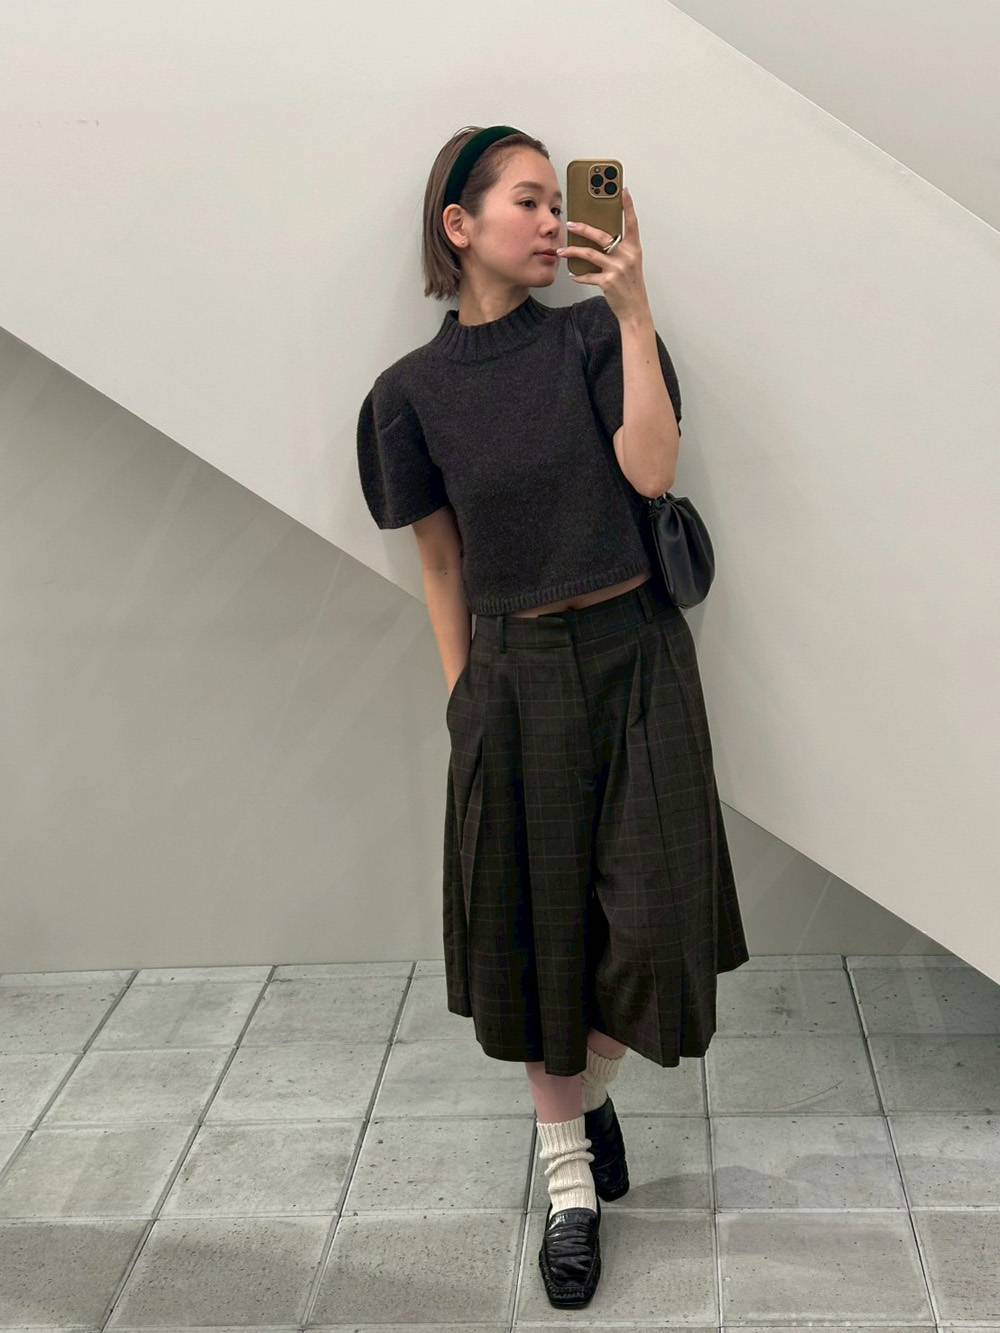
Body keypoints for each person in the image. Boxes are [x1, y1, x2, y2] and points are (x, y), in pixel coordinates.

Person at [356, 124, 750, 1309]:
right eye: (526, 200)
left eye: (555, 199)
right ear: (459, 224)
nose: (551, 220)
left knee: (654, 926)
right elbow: (439, 561)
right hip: (511, 676)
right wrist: (463, 694)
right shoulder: (408, 397)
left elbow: (651, 472)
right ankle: (568, 1177)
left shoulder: (591, 337)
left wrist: (632, 309)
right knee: (539, 938)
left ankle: (592, 1094)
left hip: (637, 654)